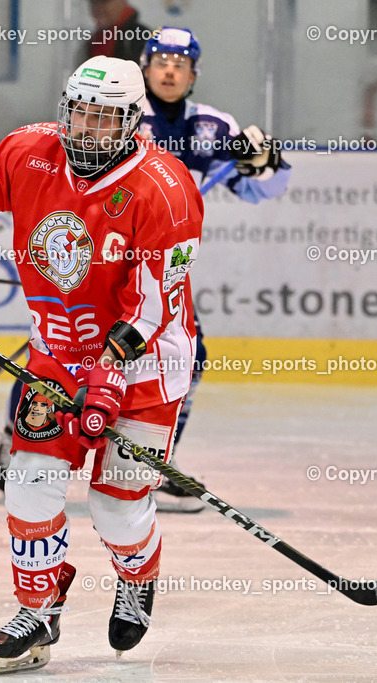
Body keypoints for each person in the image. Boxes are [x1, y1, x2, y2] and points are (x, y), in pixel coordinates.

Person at [0, 55, 203, 674]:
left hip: (146, 366)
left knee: (116, 506)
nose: (87, 129)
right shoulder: (27, 151)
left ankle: (137, 573)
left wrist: (110, 372)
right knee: (28, 478)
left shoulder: (166, 188)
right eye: (79, 114)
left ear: (132, 122)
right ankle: (39, 610)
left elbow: (155, 303)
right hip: (55, 357)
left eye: (104, 118)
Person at [139, 26, 291, 511]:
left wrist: (264, 164)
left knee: (186, 356)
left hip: (163, 267)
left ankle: (152, 467)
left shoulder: (212, 126)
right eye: (161, 62)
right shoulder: (121, 112)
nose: (169, 71)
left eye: (180, 65)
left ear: (193, 75)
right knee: (64, 351)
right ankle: (21, 439)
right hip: (104, 254)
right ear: (145, 68)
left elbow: (262, 190)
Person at [85, 0, 150, 62]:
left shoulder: (143, 38)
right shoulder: (94, 41)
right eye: (94, 2)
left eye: (104, 1)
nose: (98, 8)